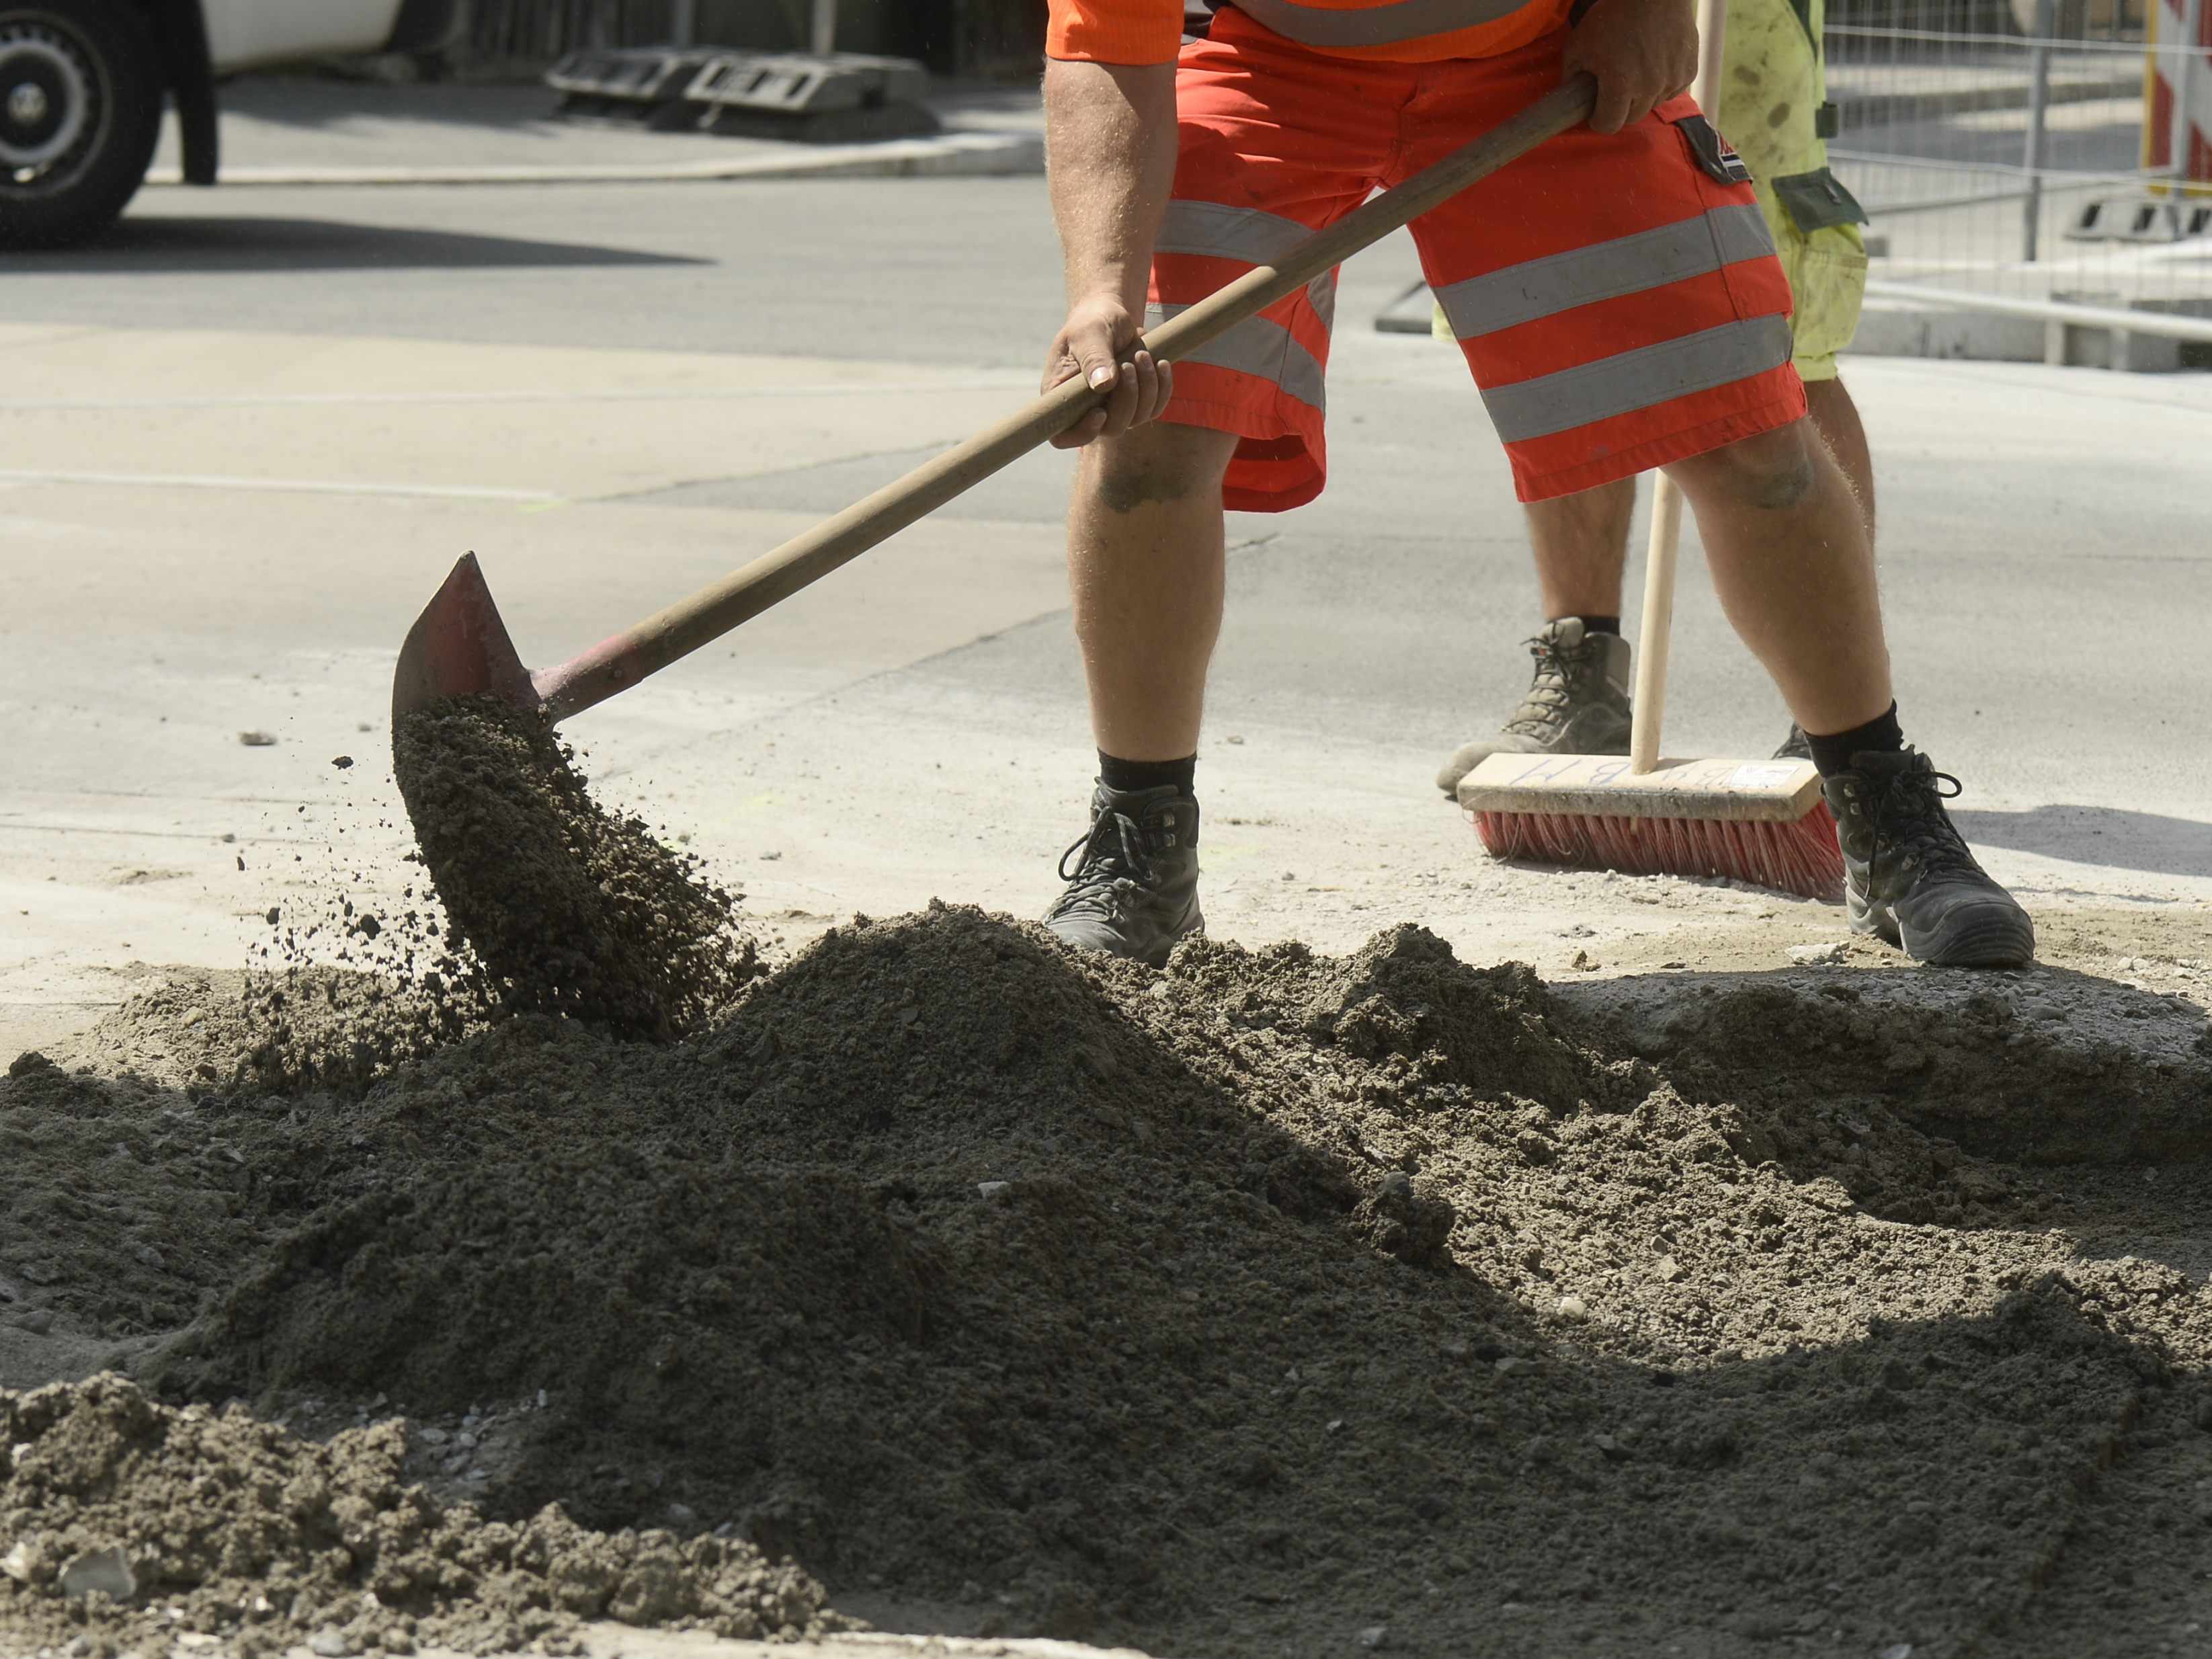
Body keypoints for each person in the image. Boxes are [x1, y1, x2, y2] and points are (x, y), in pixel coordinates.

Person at [1033, 0, 2035, 970]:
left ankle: (1884, 813)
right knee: (1146, 430)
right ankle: (1140, 851)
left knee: (1749, 440)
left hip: (1541, 53)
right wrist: (1101, 293)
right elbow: (1104, 49)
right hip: (1262, 61)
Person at [1435, 0, 1877, 787]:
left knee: (1775, 338)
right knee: (1559, 335)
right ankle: (1581, 677)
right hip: (1521, 21)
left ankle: (1842, 726)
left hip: (1738, 24)